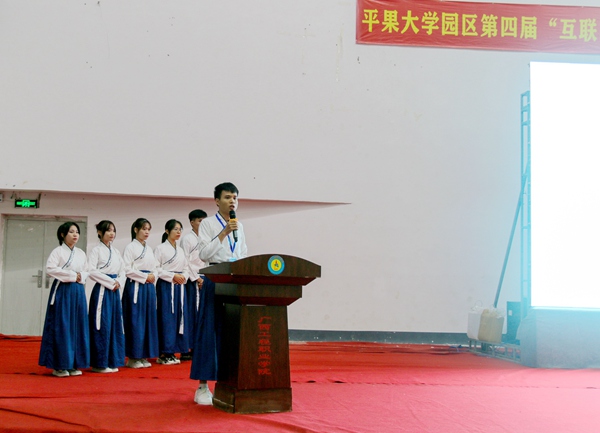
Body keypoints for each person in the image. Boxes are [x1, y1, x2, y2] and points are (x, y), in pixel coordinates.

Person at [190, 182, 248, 405]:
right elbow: (204, 254)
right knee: (209, 331)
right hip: (214, 278)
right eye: (227, 197)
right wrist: (224, 233)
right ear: (216, 201)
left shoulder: (239, 225)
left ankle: (229, 382)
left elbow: (242, 253)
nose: (232, 201)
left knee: (232, 332)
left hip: (234, 281)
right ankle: (202, 386)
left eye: (235, 197)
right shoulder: (207, 224)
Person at [39, 222, 90, 377]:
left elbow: (87, 270)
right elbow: (50, 269)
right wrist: (73, 275)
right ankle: (60, 365)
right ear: (62, 235)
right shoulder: (58, 251)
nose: (75, 235)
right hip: (63, 290)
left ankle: (74, 363)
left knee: (78, 325)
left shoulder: (81, 253)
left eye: (77, 232)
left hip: (78, 291)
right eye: (71, 232)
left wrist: (80, 276)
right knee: (62, 325)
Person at [87, 220, 126, 373]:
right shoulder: (96, 250)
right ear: (99, 232)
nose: (112, 233)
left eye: (113, 230)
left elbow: (123, 270)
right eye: (108, 230)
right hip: (103, 290)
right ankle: (99, 363)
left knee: (114, 324)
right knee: (101, 324)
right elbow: (91, 270)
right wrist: (110, 282)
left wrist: (118, 282)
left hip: (114, 290)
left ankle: (112, 360)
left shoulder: (116, 252)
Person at [122, 218, 159, 369]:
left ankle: (143, 355)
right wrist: (144, 277)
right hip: (136, 286)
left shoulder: (149, 249)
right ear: (136, 230)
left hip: (148, 287)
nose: (147, 232)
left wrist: (153, 276)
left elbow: (156, 267)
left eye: (148, 229)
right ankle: (133, 356)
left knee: (148, 321)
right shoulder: (130, 247)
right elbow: (126, 269)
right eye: (144, 229)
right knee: (135, 321)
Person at [154, 219, 189, 365]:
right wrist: (172, 276)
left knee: (179, 317)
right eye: (175, 229)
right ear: (167, 231)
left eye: (180, 229)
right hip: (166, 285)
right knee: (166, 317)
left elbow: (186, 267)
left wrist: (183, 277)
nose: (178, 232)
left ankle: (174, 350)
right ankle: (164, 352)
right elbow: (156, 268)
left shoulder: (180, 250)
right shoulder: (160, 248)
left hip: (179, 286)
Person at [180, 209, 207, 361]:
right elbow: (185, 261)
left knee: (204, 313)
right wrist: (196, 278)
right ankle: (189, 346)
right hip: (193, 280)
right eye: (200, 221)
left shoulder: (207, 238)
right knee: (192, 313)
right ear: (192, 222)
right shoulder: (187, 239)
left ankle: (201, 346)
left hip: (205, 278)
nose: (202, 224)